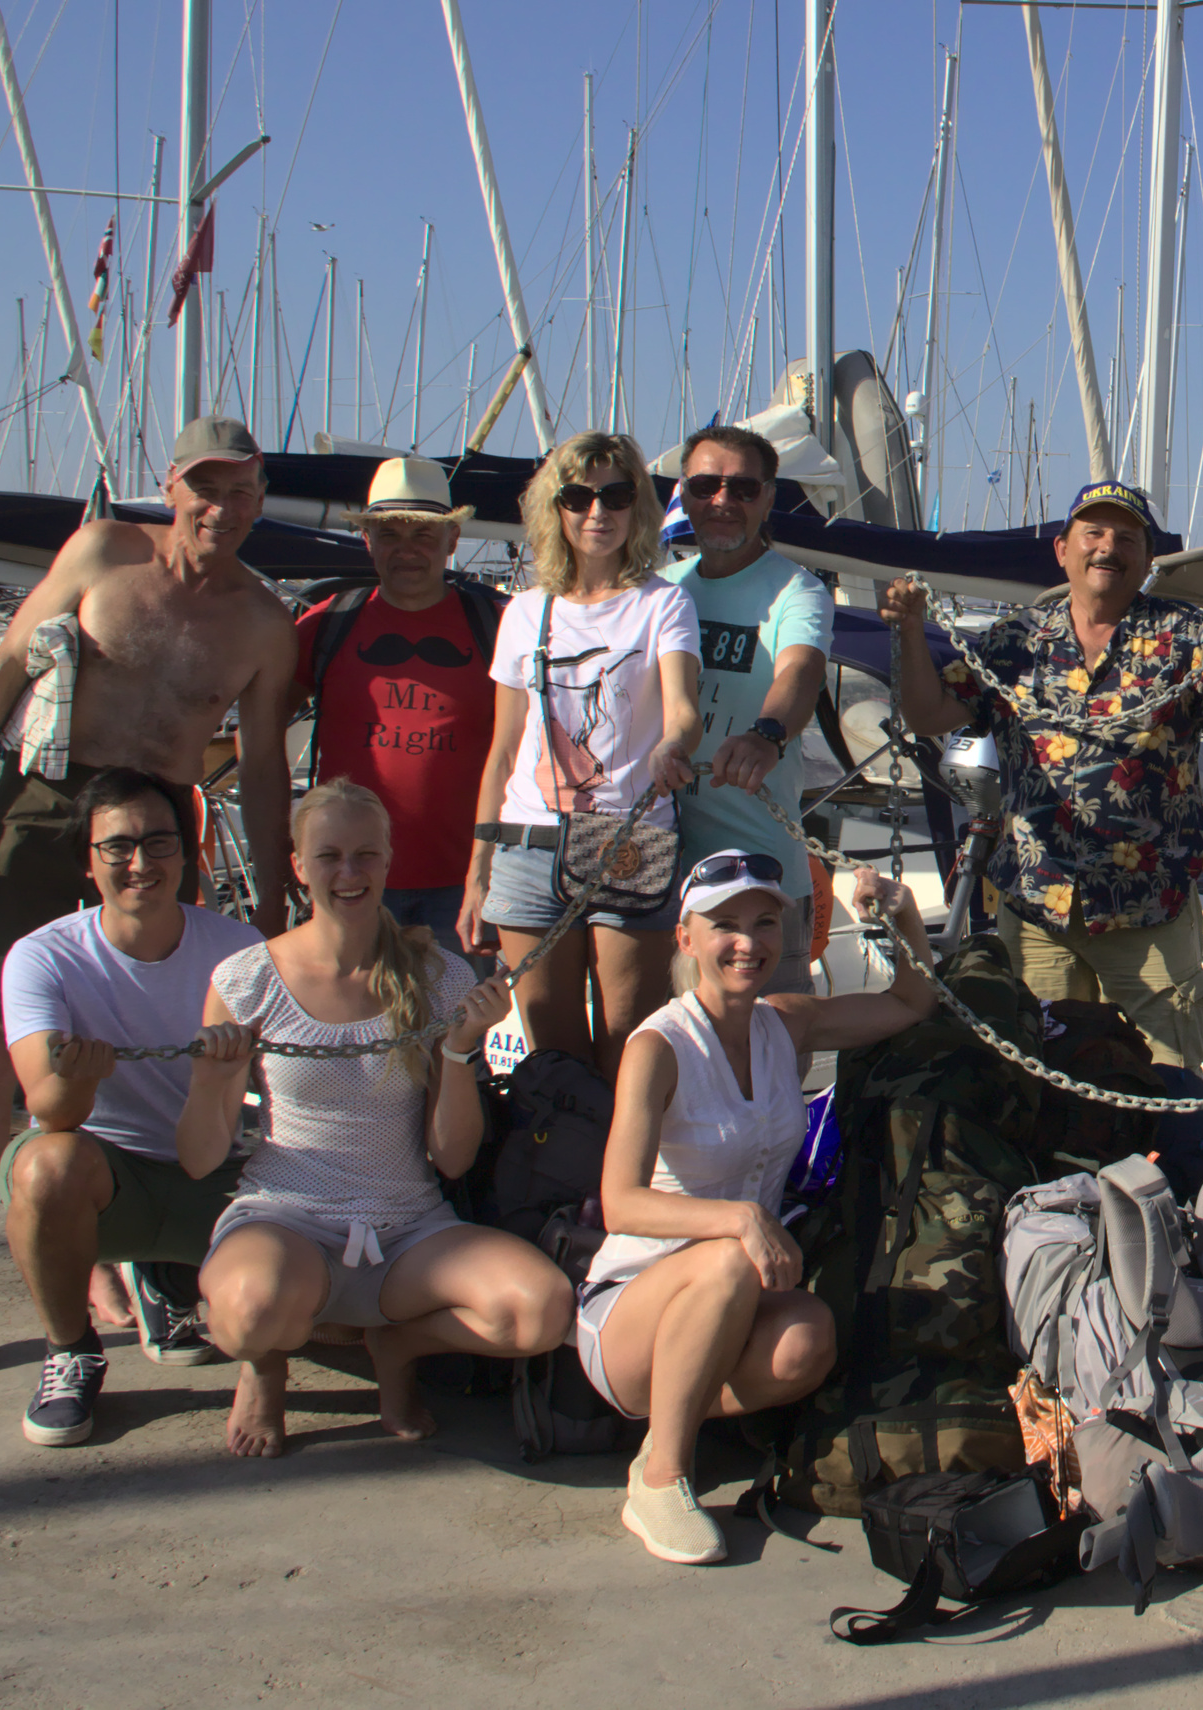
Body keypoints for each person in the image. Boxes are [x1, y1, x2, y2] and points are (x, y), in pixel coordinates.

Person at [0, 415, 298, 1386]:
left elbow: (265, 768)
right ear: (171, 486)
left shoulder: (262, 621)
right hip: (45, 803)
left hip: (158, 823)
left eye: (240, 491)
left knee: (143, 1040)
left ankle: (116, 1252)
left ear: (257, 500)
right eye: (204, 487)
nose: (220, 508)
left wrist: (275, 904)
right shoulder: (102, 553)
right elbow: (2, 668)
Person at [180, 780, 572, 1458]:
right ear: (298, 865)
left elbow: (452, 1159)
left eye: (366, 854)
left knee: (540, 1310)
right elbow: (198, 1159)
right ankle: (265, 1366)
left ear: (389, 860)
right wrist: (212, 1078)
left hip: (406, 1227)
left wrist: (458, 1052)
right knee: (245, 1314)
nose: (349, 872)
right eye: (328, 856)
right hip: (288, 1220)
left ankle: (399, 1346)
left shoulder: (438, 976)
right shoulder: (246, 979)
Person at [579, 850, 939, 1563]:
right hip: (631, 1309)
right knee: (726, 1261)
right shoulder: (659, 1046)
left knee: (809, 1337)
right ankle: (662, 1478)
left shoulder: (785, 1024)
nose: (747, 942)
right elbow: (619, 1204)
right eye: (725, 925)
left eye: (765, 923)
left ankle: (670, 1426)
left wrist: (904, 919)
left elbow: (909, 1003)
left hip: (737, 1299)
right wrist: (741, 1220)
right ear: (686, 938)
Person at [880, 480, 1203, 1066]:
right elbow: (928, 714)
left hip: (1148, 906)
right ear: (1063, 550)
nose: (1108, 547)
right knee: (1043, 1075)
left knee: (1165, 1077)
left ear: (1148, 559)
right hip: (1038, 907)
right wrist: (909, 632)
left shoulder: (1188, 636)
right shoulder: (1013, 641)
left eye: (1127, 538)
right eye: (1094, 533)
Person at [0, 767, 268, 1445]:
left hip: (219, 1172)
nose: (140, 863)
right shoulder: (41, 958)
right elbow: (48, 1109)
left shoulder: (241, 949)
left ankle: (169, 1277)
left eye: (158, 843)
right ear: (88, 863)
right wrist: (79, 1081)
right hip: (112, 1181)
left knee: (329, 1324)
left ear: (186, 852)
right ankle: (70, 1351)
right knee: (45, 1167)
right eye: (117, 847)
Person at [463, 431, 702, 1073]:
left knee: (630, 1042)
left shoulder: (663, 603)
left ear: (638, 507)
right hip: (528, 847)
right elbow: (503, 750)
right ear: (556, 508)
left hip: (630, 841)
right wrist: (479, 867)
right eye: (578, 497)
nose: (598, 512)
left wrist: (673, 745)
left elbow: (683, 709)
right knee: (553, 1055)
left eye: (616, 496)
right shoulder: (525, 612)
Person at [291, 455, 503, 957]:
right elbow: (257, 732)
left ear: (452, 540)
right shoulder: (326, 625)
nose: (407, 550)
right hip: (351, 881)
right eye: (389, 534)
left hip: (465, 886)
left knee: (460, 1011)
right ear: (367, 540)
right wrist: (290, 839)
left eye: (424, 535)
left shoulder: (498, 625)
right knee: (351, 1009)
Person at [668, 423, 832, 994]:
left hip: (760, 879)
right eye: (705, 485)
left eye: (742, 488)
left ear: (768, 498)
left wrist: (767, 734)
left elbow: (800, 671)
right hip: (657, 876)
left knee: (773, 1041)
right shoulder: (660, 590)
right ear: (683, 493)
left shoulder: (798, 592)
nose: (723, 500)